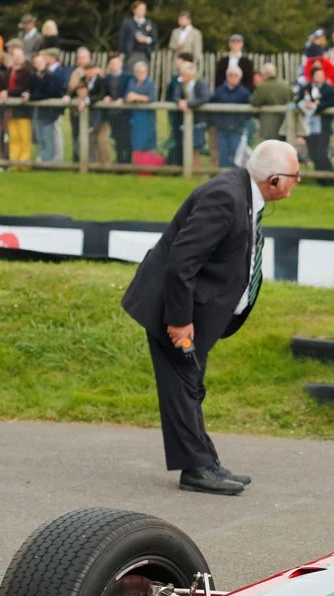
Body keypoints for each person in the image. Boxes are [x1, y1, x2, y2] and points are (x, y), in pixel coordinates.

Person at [122, 140, 301, 495]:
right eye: (296, 176)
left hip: (194, 309)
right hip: (171, 308)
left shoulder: (244, 195)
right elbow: (182, 259)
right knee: (183, 386)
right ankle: (197, 469)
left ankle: (205, 462)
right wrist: (178, 320)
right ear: (276, 180)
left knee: (189, 384)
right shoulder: (226, 197)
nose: (298, 182)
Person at [297, 65, 334, 185]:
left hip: (322, 125)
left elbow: (331, 102)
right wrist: (305, 104)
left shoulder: (328, 89)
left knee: (321, 152)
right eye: (317, 75)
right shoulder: (306, 88)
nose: (320, 77)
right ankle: (320, 178)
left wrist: (316, 106)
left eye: (322, 75)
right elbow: (298, 99)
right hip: (308, 125)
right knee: (313, 152)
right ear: (312, 76)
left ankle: (330, 178)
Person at [211, 66, 250, 168]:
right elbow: (212, 106)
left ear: (239, 78)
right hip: (222, 128)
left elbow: (249, 111)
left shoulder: (244, 93)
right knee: (223, 155)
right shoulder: (219, 91)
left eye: (235, 75)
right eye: (230, 75)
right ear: (227, 76)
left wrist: (241, 123)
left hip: (237, 129)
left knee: (236, 156)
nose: (233, 77)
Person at [0, 45, 32, 164]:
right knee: (13, 137)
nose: (17, 58)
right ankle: (14, 162)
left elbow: (23, 86)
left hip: (23, 110)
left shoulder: (27, 72)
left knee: (24, 137)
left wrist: (8, 92)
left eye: (19, 56)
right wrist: (2, 92)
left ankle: (24, 163)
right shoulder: (7, 72)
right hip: (9, 109)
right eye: (15, 56)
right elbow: (0, 87)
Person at [249, 62, 290, 143]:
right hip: (284, 123)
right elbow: (291, 99)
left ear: (264, 74)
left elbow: (254, 102)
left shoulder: (262, 87)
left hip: (268, 125)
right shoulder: (285, 85)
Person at [125, 59, 157, 159]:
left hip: (147, 117)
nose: (140, 74)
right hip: (135, 116)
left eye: (142, 72)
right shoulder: (132, 81)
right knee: (136, 141)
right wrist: (129, 97)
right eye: (138, 72)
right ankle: (137, 164)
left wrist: (136, 97)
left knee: (148, 140)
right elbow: (127, 94)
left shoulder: (150, 83)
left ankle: (149, 165)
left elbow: (152, 98)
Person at [119, 2, 156, 69]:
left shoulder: (149, 23)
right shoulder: (127, 23)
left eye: (144, 9)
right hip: (130, 54)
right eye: (140, 9)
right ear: (134, 10)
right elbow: (122, 39)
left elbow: (154, 39)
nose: (142, 11)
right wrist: (122, 53)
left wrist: (146, 39)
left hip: (144, 54)